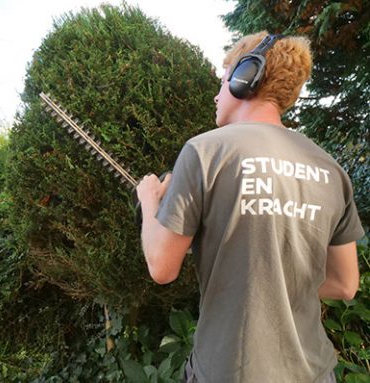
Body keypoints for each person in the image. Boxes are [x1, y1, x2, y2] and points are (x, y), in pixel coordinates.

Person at [136, 31, 365, 383]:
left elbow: (162, 267)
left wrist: (149, 199)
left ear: (247, 77)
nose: (216, 94)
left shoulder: (204, 152)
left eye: (223, 79)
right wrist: (278, 286)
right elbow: (345, 284)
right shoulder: (330, 169)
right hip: (315, 374)